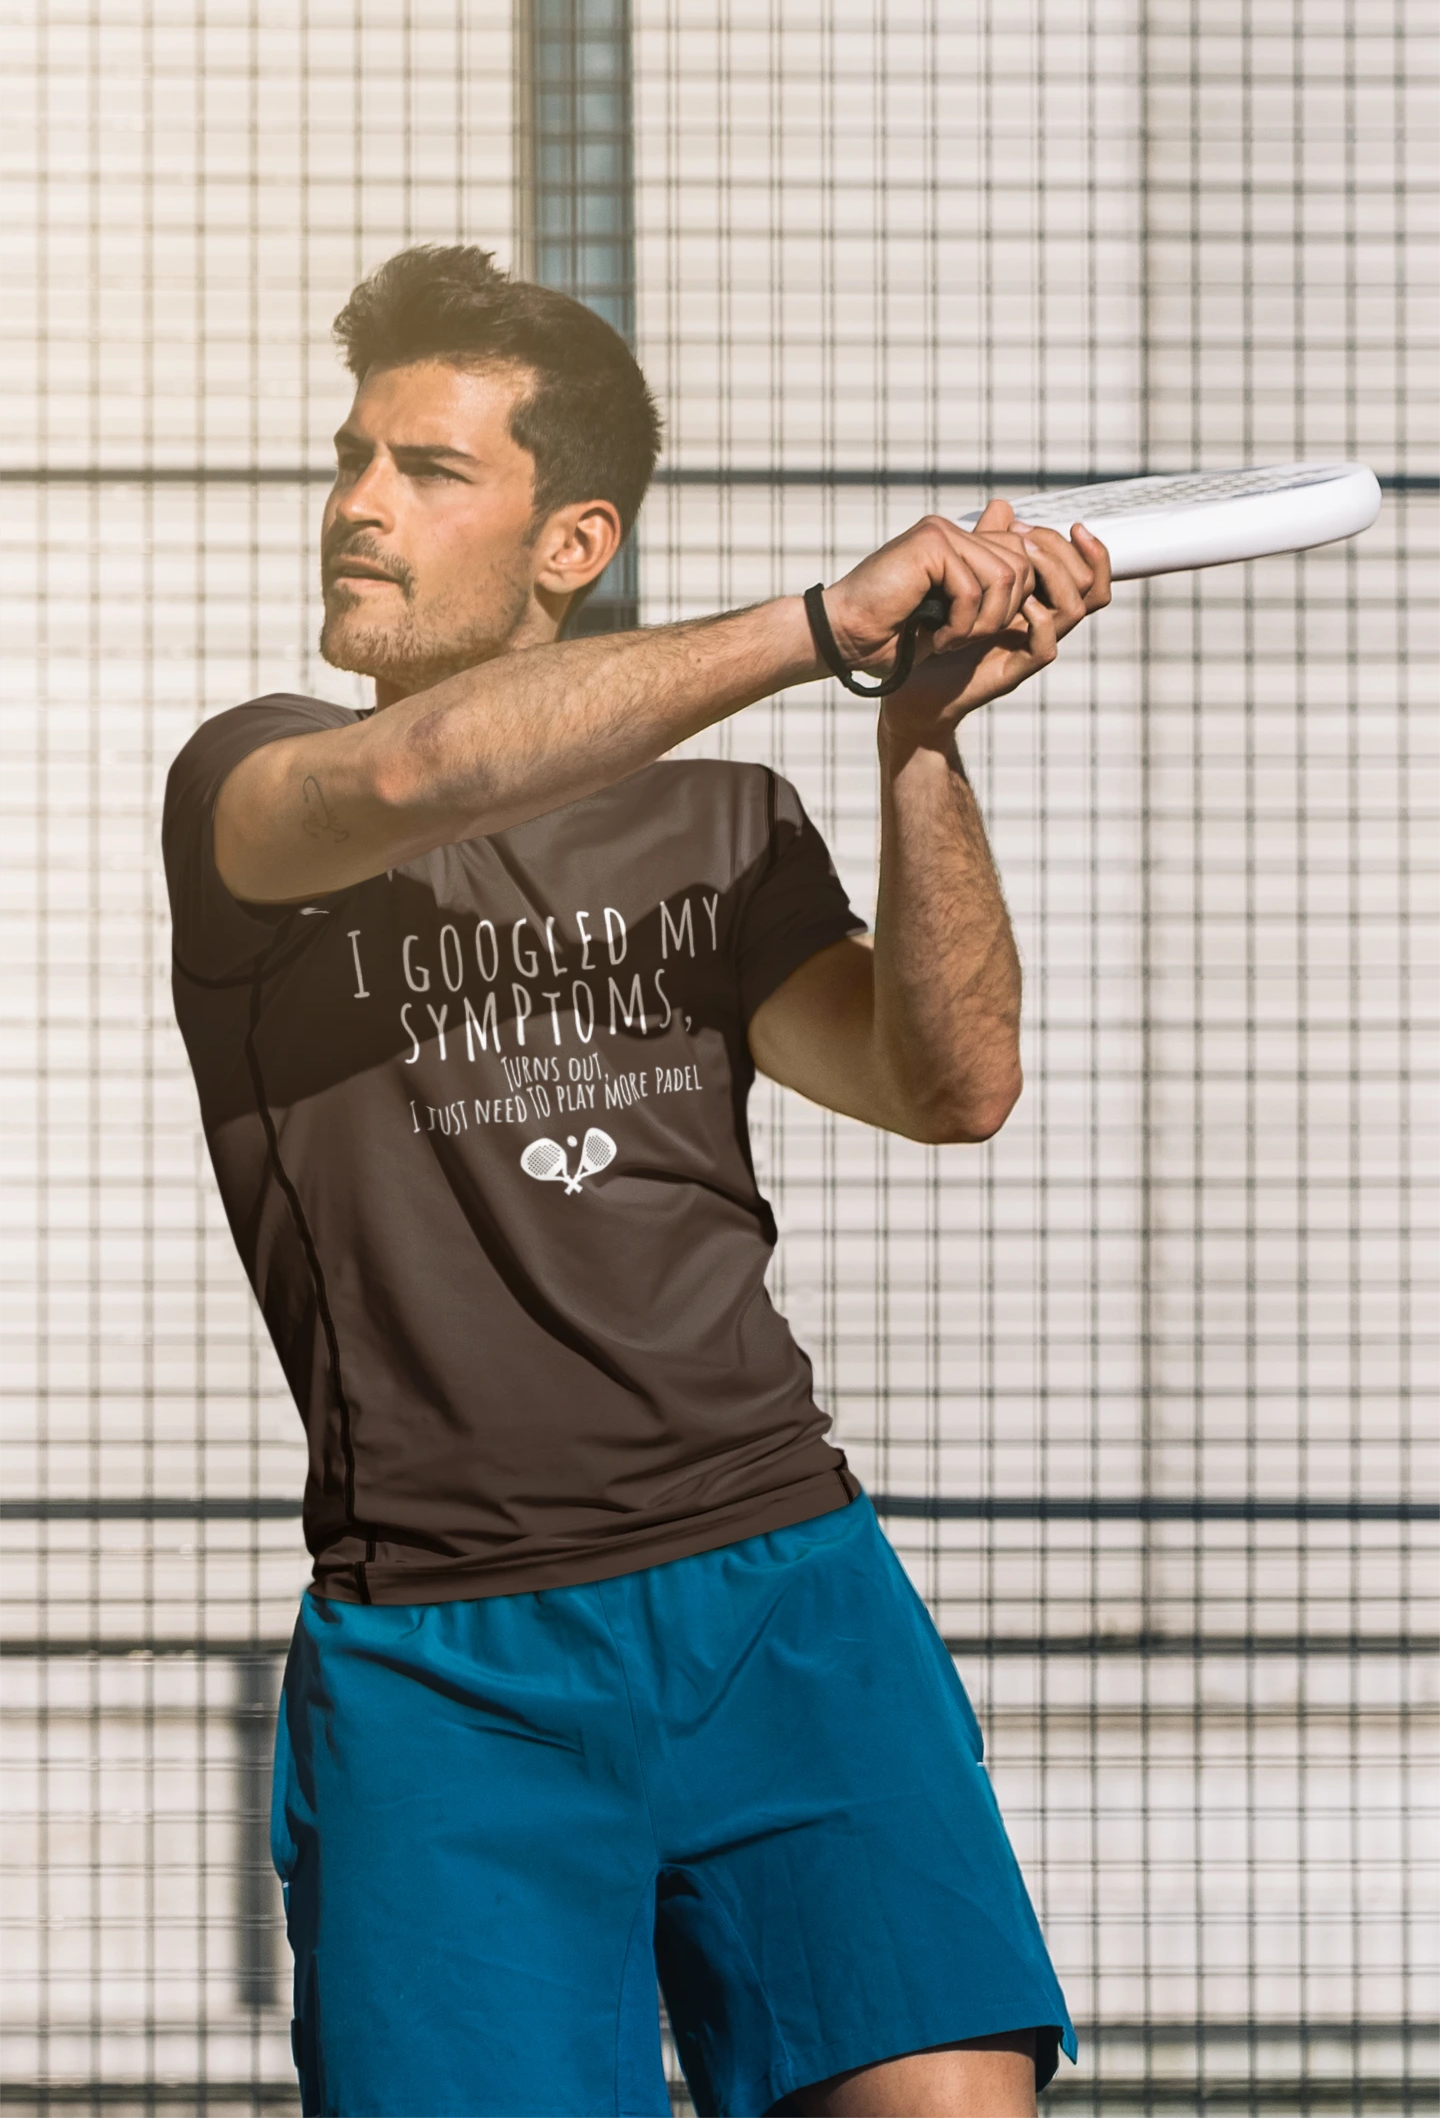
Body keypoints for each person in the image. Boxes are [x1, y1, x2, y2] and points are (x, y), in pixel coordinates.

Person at [163, 244, 1110, 2118]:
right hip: (449, 1662)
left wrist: (915, 738)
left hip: (787, 1595)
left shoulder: (724, 825)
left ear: (573, 540)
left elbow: (952, 1084)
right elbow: (423, 765)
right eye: (354, 457)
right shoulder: (256, 787)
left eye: (431, 471)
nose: (359, 503)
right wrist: (818, 624)